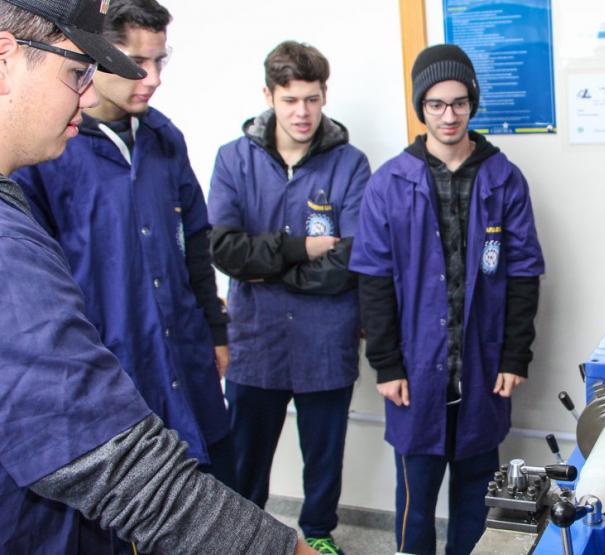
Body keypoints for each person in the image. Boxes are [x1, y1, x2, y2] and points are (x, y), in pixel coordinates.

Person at [0, 0, 316, 553]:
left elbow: (197, 243)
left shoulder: (165, 139)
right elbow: (116, 466)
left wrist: (215, 332)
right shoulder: (36, 185)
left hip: (180, 366)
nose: (90, 90)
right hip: (108, 379)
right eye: (79, 71)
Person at [349, 44, 544, 555]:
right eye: (436, 104)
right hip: (414, 369)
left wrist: (514, 356)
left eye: (459, 102)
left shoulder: (504, 178)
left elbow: (524, 274)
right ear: (422, 108)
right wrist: (386, 364)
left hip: (483, 365)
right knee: (415, 497)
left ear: (472, 104)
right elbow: (372, 278)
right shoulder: (389, 182)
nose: (449, 115)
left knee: (477, 494)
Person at [207, 40, 370, 555]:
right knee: (246, 457)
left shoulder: (350, 164)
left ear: (325, 96)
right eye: (290, 99)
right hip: (256, 342)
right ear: (269, 96)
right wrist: (299, 250)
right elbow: (224, 249)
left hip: (327, 340)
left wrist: (273, 272)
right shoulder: (234, 160)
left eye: (312, 99)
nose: (302, 112)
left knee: (324, 455)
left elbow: (353, 257)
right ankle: (242, 539)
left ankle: (319, 536)